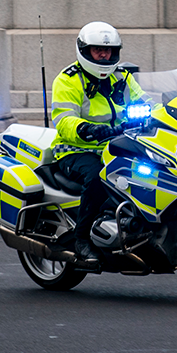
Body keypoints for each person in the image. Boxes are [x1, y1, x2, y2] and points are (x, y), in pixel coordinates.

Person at [49, 23, 146, 268]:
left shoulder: (122, 77)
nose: (104, 55)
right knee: (98, 176)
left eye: (109, 50)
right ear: (84, 50)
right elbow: (63, 119)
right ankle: (82, 240)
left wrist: (161, 114)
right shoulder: (69, 80)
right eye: (97, 50)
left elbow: (148, 103)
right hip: (75, 149)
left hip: (118, 144)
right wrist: (87, 129)